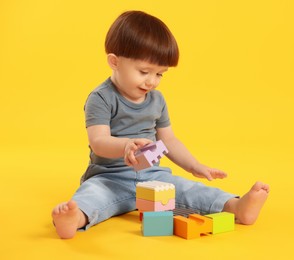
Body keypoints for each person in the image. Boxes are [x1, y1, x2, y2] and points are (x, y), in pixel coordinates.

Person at [52, 10, 270, 239]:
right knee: (91, 196)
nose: (152, 81)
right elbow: (98, 142)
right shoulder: (102, 98)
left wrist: (194, 166)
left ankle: (236, 207)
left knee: (188, 190)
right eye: (144, 71)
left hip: (153, 177)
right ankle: (72, 219)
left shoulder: (157, 100)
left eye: (160, 74)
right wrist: (125, 146)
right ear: (114, 62)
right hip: (109, 177)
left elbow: (169, 140)